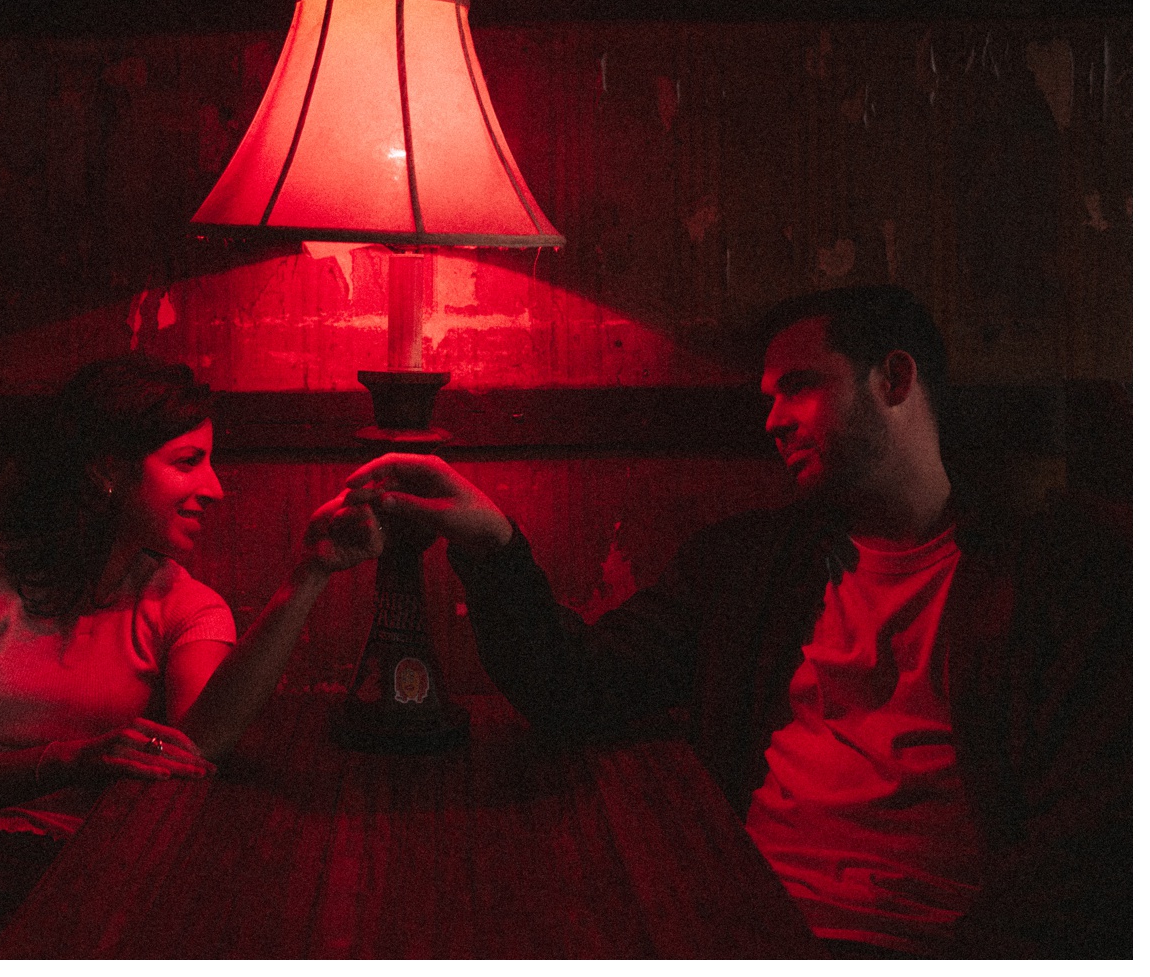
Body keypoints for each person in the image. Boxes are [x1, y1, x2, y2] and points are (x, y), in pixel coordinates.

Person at [346, 286, 1130, 959]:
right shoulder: (750, 566)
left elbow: (1088, 843)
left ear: (894, 379)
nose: (774, 421)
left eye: (799, 386)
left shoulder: (1056, 581)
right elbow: (577, 685)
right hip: (744, 924)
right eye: (767, 399)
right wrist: (491, 542)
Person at [0, 354, 381, 957]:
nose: (214, 489)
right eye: (188, 462)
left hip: (76, 864)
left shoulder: (184, 605)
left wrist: (309, 576)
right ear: (107, 468)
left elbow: (200, 746)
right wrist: (75, 759)